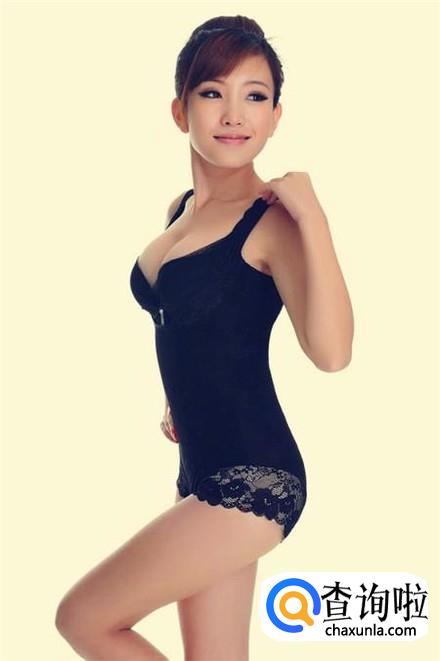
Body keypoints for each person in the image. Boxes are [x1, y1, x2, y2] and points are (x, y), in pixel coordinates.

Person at [55, 14, 354, 661]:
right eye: (213, 92)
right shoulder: (181, 209)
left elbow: (332, 353)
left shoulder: (274, 224)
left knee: (83, 618)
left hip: (255, 477)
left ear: (275, 116)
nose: (233, 113)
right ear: (180, 109)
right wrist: (176, 396)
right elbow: (195, 321)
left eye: (255, 95)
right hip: (198, 469)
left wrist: (314, 218)